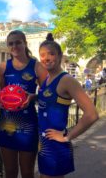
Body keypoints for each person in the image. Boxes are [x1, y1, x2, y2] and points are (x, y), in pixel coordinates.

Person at [37, 33, 99, 178]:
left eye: (51, 54)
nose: (46, 58)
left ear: (60, 56)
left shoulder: (66, 80)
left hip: (56, 146)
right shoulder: (47, 79)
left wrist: (67, 136)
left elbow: (92, 114)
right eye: (42, 55)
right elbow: (50, 100)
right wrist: (33, 97)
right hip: (45, 143)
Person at [0, 30, 48, 178]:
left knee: (27, 172)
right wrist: (0, 99)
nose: (15, 46)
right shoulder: (3, 67)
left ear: (25, 43)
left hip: (28, 124)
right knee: (10, 171)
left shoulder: (36, 66)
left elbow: (47, 95)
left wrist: (33, 97)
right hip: (7, 123)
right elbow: (3, 93)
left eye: (18, 42)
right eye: (11, 43)